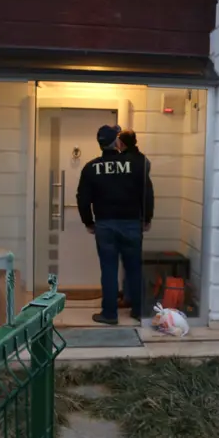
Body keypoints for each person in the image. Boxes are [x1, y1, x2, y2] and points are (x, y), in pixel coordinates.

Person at [77, 125, 154, 324]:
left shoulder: (91, 168)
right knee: (134, 268)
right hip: (131, 224)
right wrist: (147, 218)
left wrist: (88, 222)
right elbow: (147, 193)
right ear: (117, 142)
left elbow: (82, 198)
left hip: (105, 225)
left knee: (109, 270)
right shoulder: (136, 164)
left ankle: (110, 314)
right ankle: (139, 311)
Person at [116, 129, 154, 309]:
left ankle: (129, 297)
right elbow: (148, 192)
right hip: (136, 217)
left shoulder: (119, 162)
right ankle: (132, 298)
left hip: (120, 217)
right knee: (133, 260)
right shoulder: (143, 161)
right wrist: (147, 216)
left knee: (124, 261)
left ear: (122, 143)